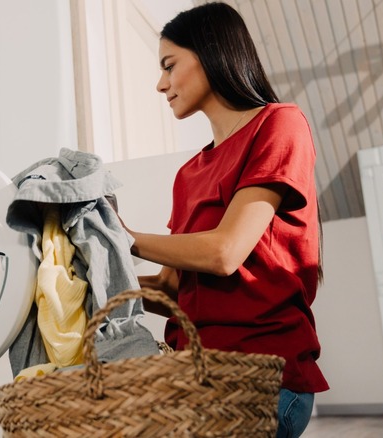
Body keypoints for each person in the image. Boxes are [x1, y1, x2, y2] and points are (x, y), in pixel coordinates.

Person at [120, 3, 329, 437]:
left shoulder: (279, 125)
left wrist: (125, 239)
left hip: (259, 381)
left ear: (211, 52)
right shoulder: (188, 173)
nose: (161, 84)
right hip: (194, 378)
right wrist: (86, 275)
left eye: (169, 65)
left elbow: (225, 252)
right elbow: (171, 288)